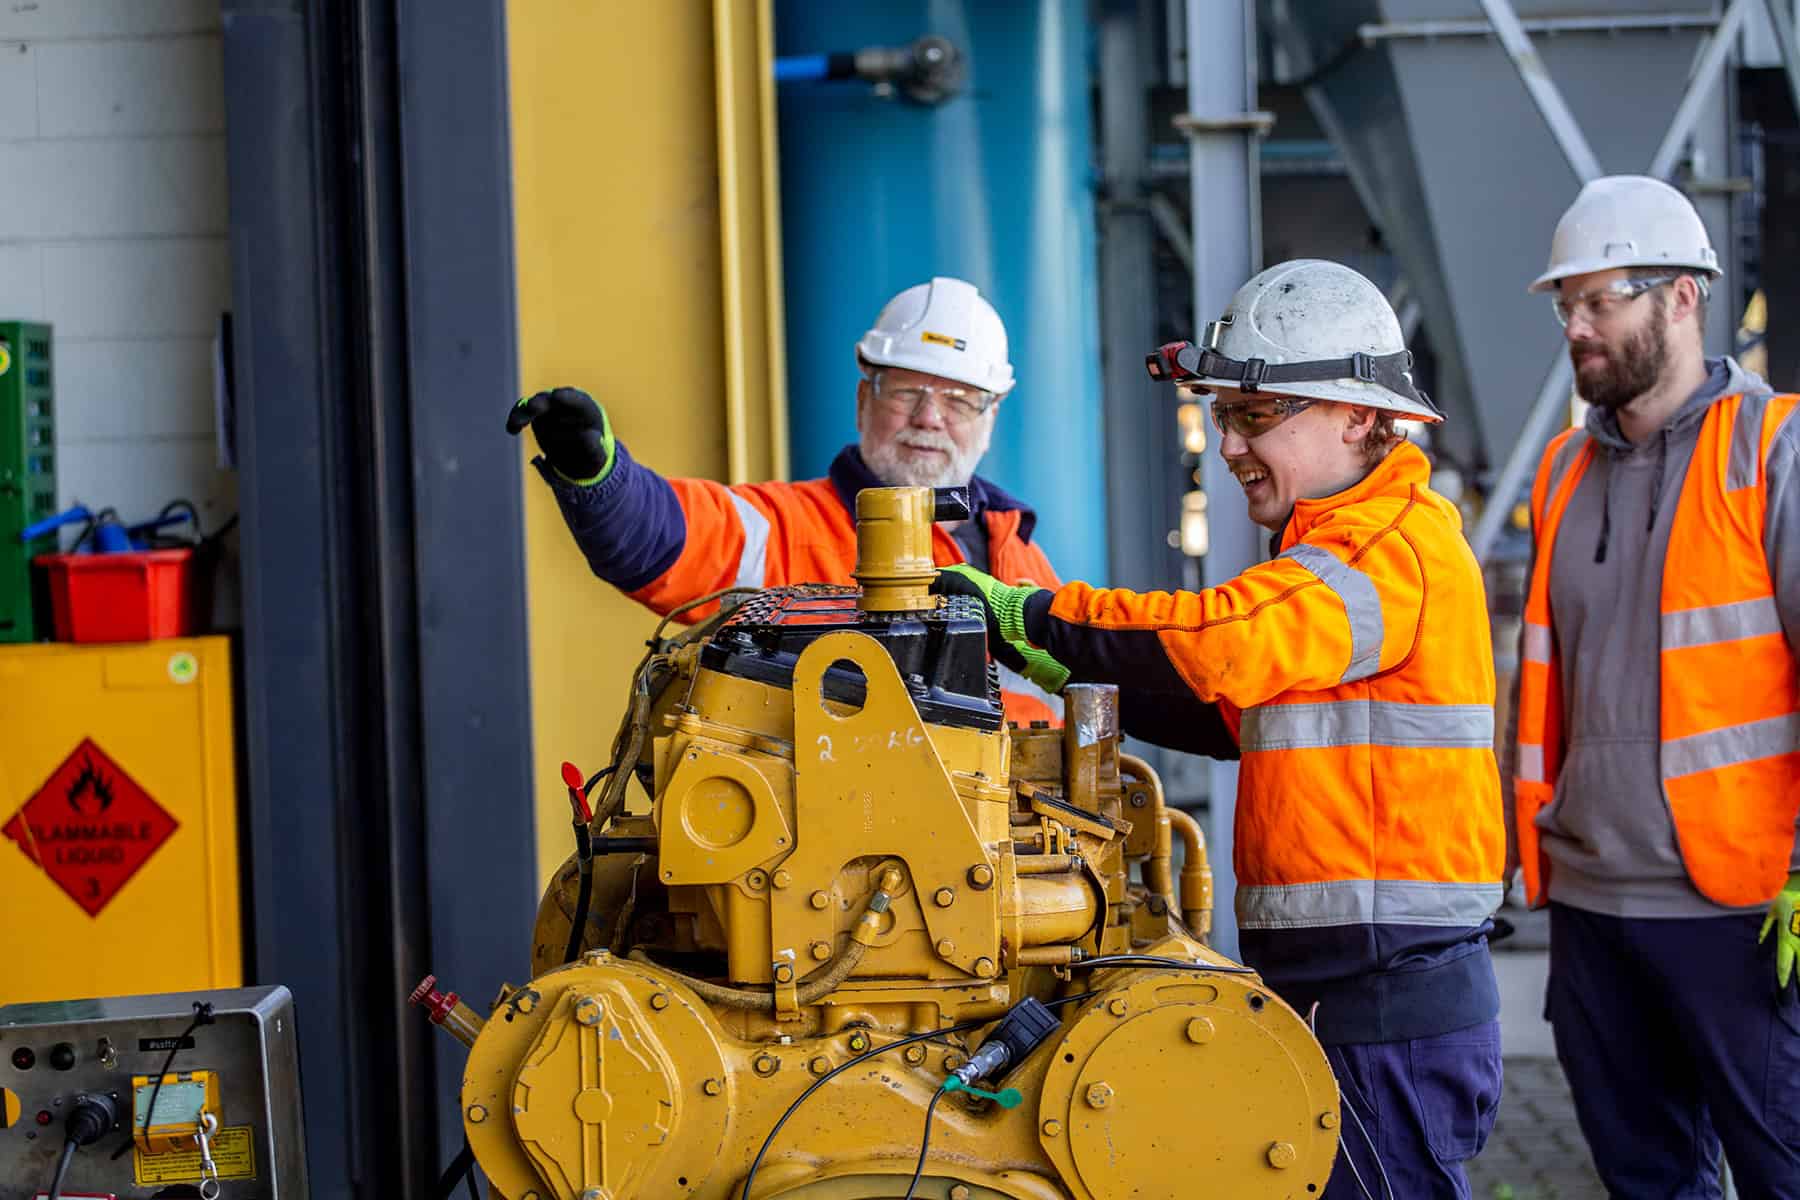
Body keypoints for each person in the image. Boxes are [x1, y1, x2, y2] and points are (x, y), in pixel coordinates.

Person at [935, 259, 1506, 1198]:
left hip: (1384, 1003)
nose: (1226, 444)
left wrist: (1032, 616)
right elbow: (1228, 714)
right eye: (1221, 415)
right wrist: (1046, 658)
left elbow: (1220, 644)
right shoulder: (1335, 557)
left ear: (1357, 415)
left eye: (1252, 416)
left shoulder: (1386, 548)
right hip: (1345, 993)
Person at [1507, 174, 1800, 1197]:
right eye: (1566, 305)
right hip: (1590, 909)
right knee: (1646, 1184)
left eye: (1601, 300)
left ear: (1682, 297)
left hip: (1744, 909)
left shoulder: (1775, 452)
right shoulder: (1558, 475)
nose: (1577, 328)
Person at [507, 276, 1064, 722]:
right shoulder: (780, 529)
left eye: (961, 400)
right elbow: (663, 534)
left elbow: (1089, 705)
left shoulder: (1020, 560)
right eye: (906, 390)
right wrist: (598, 474)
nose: (929, 418)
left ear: (990, 419)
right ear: (863, 397)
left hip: (1012, 852)